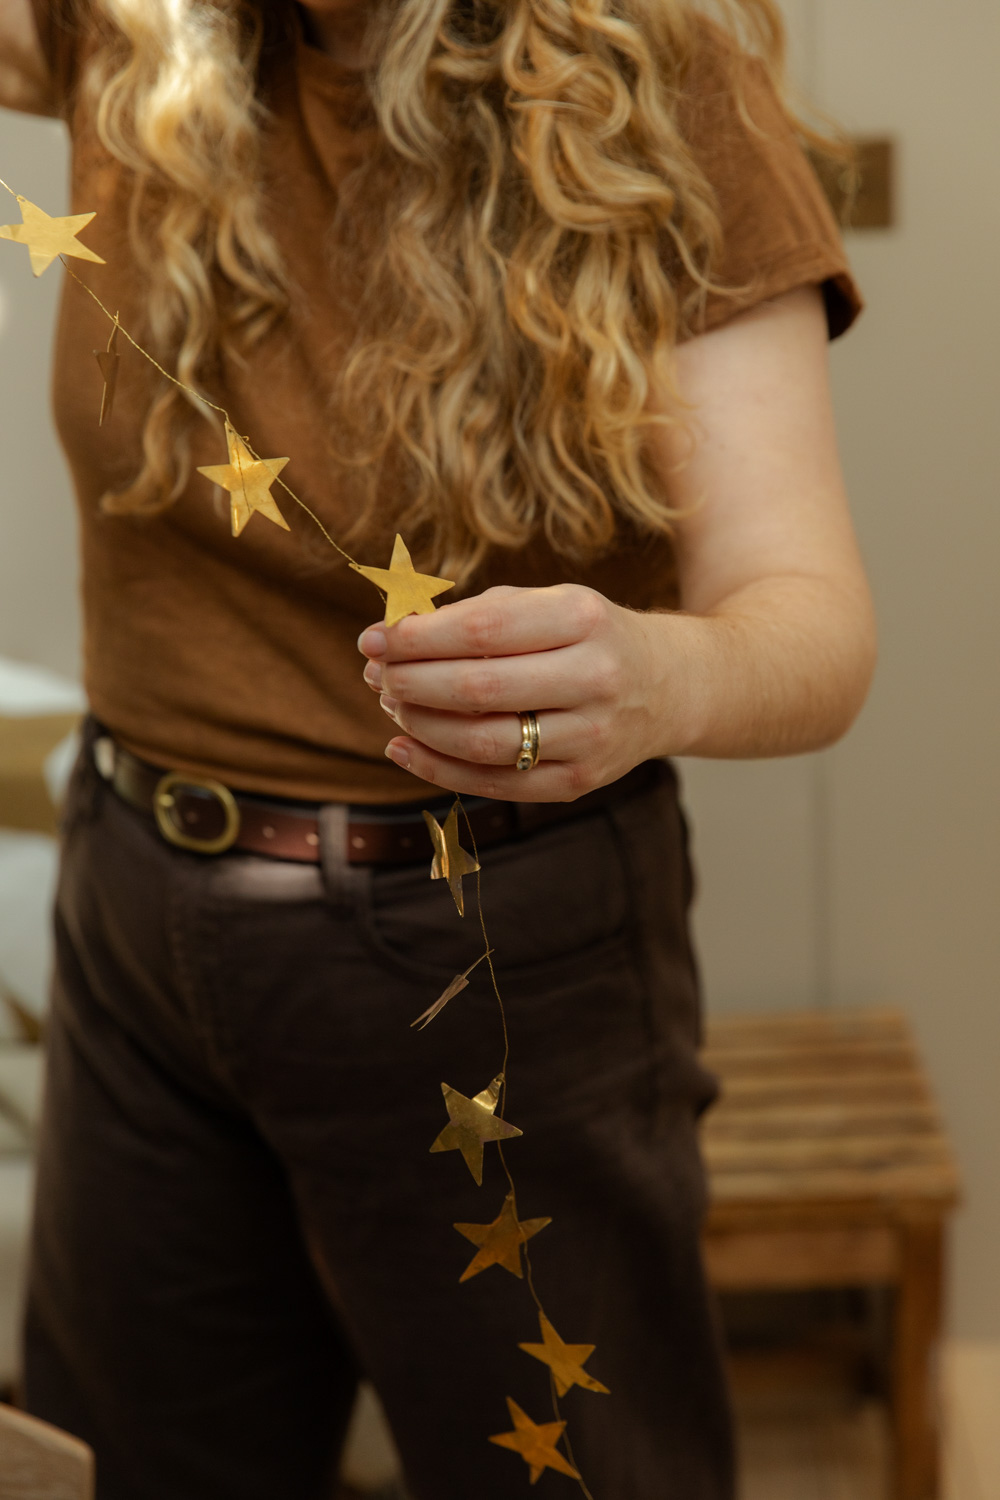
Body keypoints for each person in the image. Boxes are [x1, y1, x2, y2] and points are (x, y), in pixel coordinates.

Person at [0, 1, 876, 1497]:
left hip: (489, 955)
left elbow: (814, 625)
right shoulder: (129, 25)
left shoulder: (664, 85)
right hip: (137, 914)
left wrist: (662, 674)